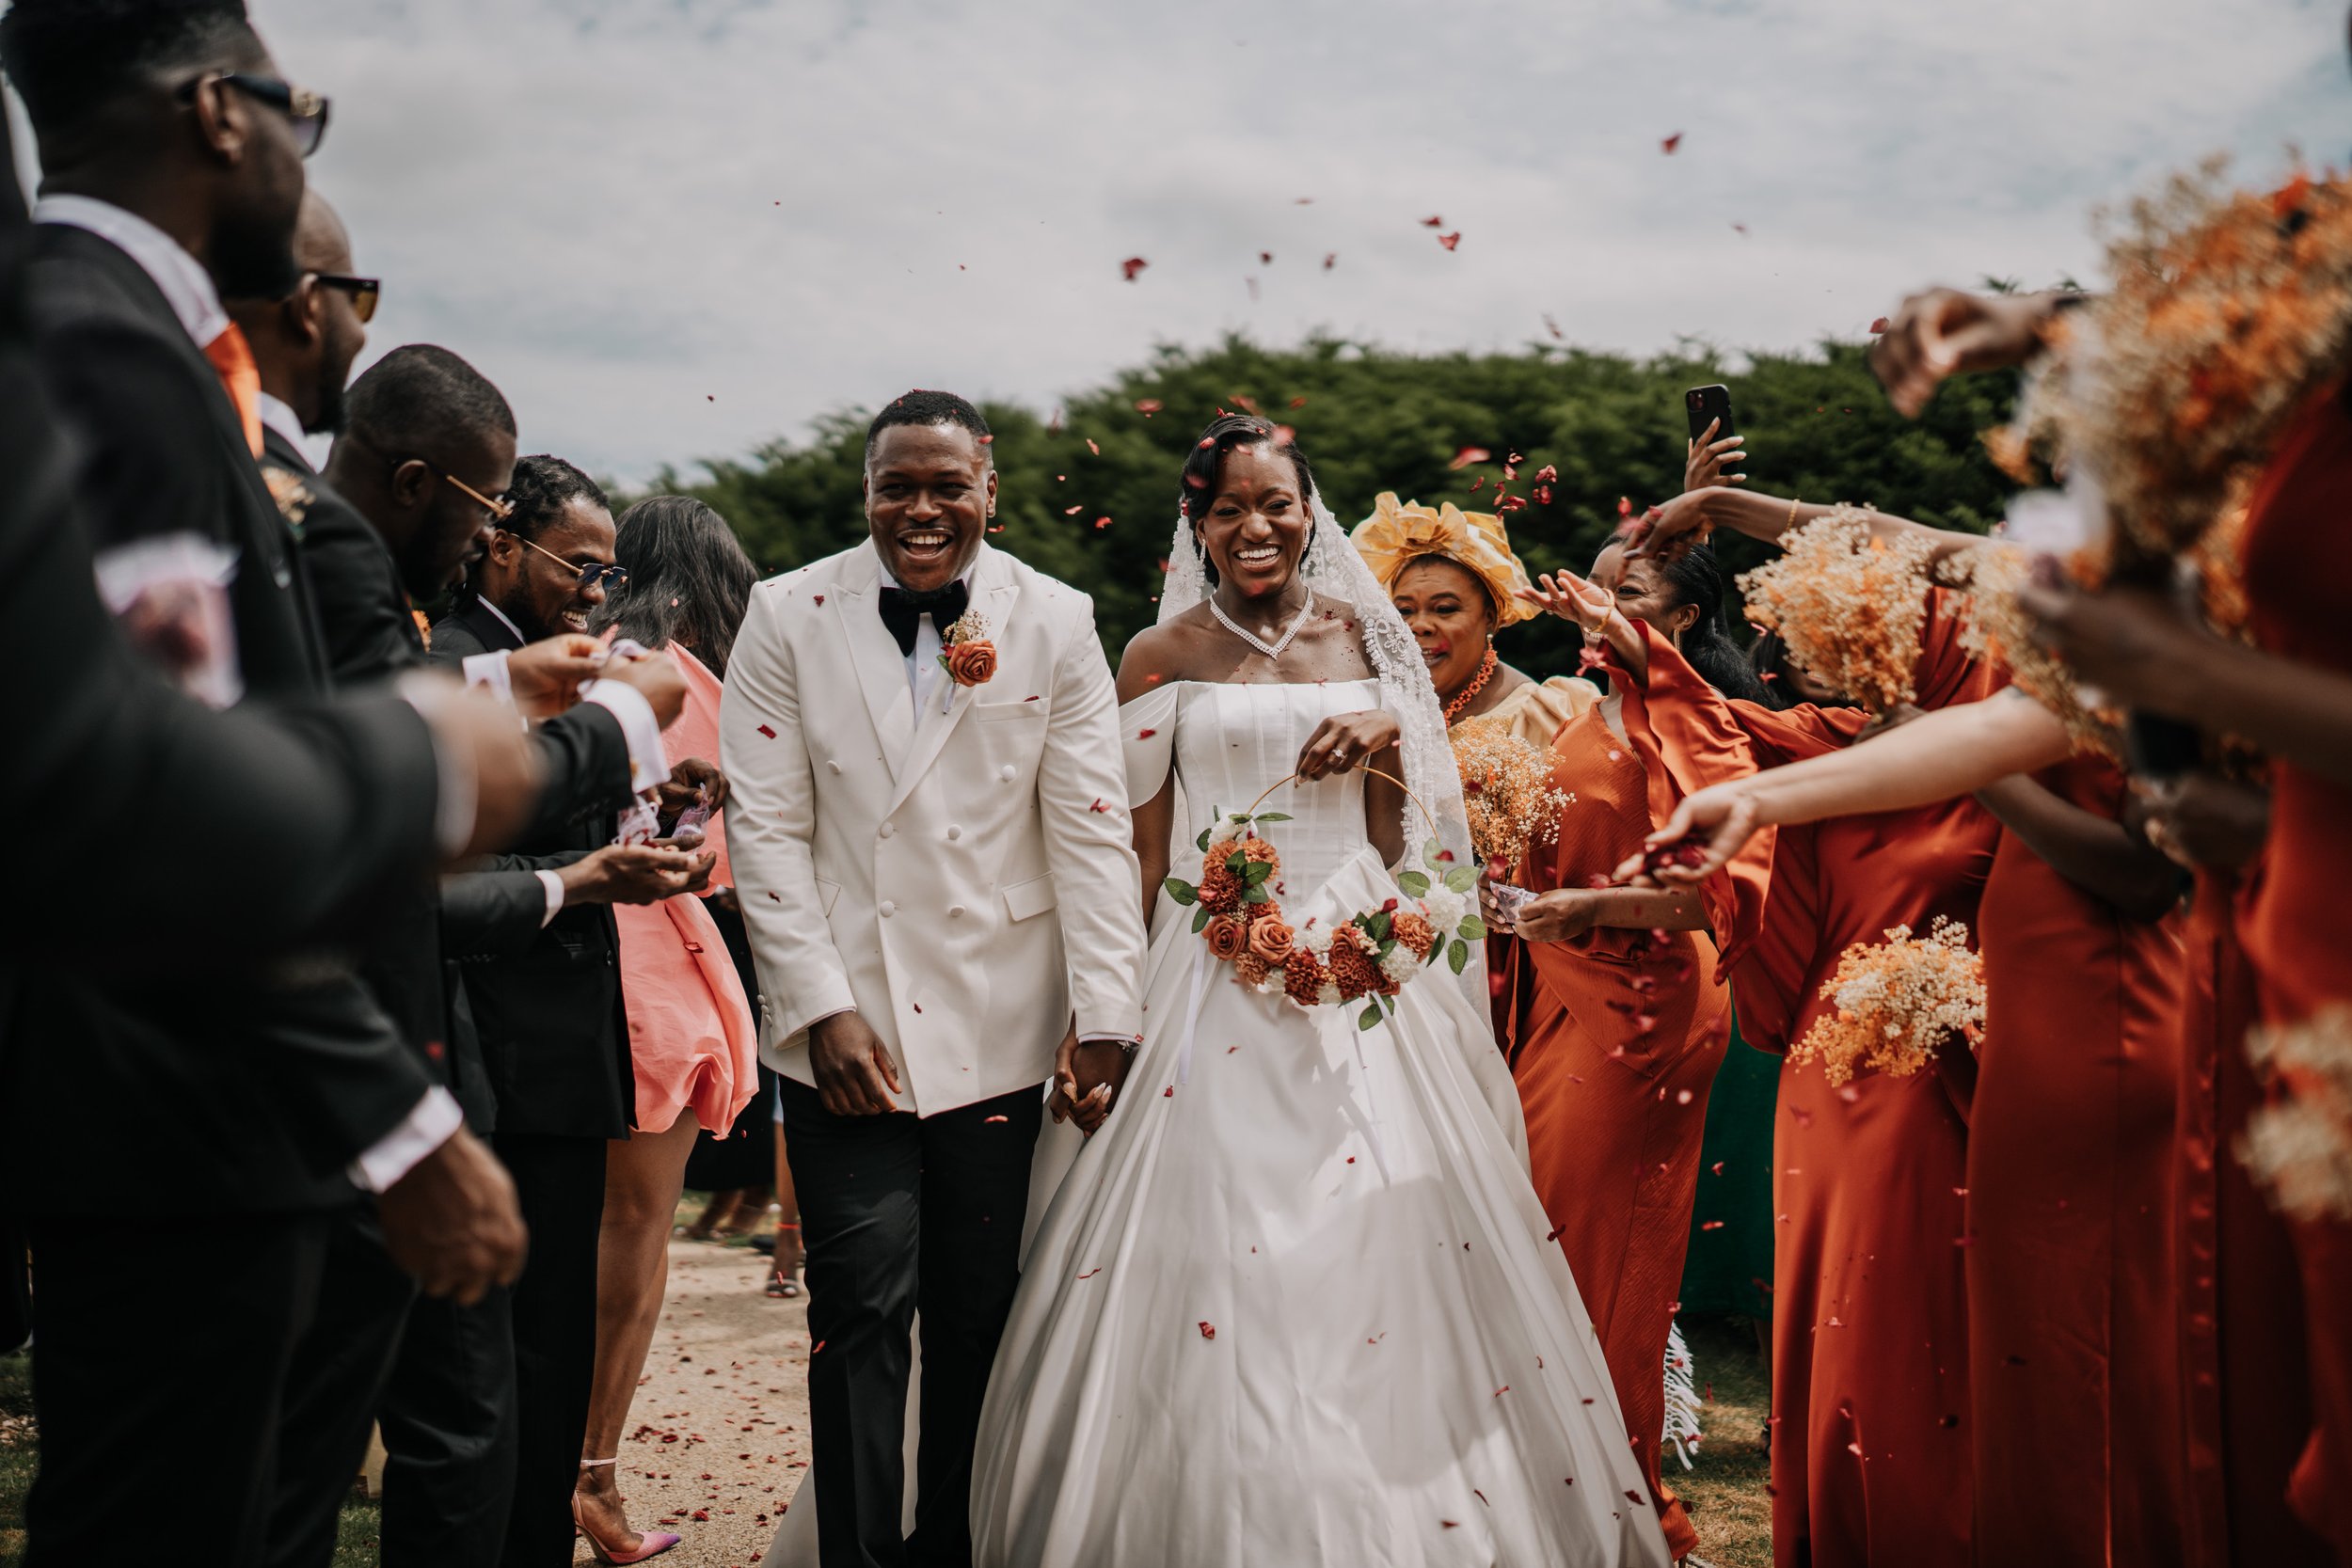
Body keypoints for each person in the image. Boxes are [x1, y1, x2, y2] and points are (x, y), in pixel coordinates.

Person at [0, 4, 531, 1561]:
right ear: (222, 113)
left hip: (191, 1103)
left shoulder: (121, 337)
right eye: (302, 111)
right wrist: (395, 1119)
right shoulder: (104, 349)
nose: (303, 152)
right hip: (175, 1114)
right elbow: (161, 803)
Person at [963, 413, 1670, 1567]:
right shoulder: (1158, 657)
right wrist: (1107, 1012)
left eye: (1274, 503)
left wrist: (1394, 724)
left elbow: (1407, 834)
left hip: (1356, 967)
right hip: (1204, 960)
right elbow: (1140, 857)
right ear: (1195, 522)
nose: (1254, 526)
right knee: (1209, 1235)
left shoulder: (1367, 632)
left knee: (1378, 1237)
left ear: (1310, 510)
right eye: (1227, 506)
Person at [1638, 414, 2199, 1567]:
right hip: (2013, 1023)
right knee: (2023, 1345)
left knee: (2076, 1338)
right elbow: (1898, 540)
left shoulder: (2137, 646)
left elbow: (2143, 872)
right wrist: (1729, 515)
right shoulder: (2055, 618)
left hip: (2097, 1019)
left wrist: (1960, 752)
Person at [726, 389, 1148, 1568]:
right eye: (894, 486)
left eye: (944, 485)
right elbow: (765, 830)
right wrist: (820, 1007)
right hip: (841, 1031)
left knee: (976, 1318)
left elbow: (1090, 825)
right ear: (864, 492)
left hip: (1001, 1019)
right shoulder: (783, 612)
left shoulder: (1055, 617)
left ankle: (950, 1545)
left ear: (988, 489)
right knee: (857, 1306)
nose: (920, 509)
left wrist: (1107, 1010)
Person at [434, 453, 716, 1568]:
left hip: (556, 1054)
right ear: (503, 540)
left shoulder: (536, 664)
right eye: (579, 566)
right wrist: (590, 874)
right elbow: (465, 858)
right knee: (491, 1374)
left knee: (546, 1350)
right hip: (491, 1053)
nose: (597, 592)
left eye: (606, 570)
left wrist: (660, 805)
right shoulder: (451, 662)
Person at [1484, 531, 1770, 1560]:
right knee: (1546, 1244)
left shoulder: (1696, 727)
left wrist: (1584, 905)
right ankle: (1541, 1485)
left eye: (1627, 593)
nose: (1595, 607)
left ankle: (1618, 1503)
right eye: (1592, 589)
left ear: (1684, 619)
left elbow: (1716, 890)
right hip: (1559, 983)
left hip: (1643, 999)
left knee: (1607, 1261)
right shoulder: (1588, 703)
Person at [573, 495, 765, 1564]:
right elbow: (713, 858)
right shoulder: (687, 681)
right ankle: (592, 1469)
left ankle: (536, 1457)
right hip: (651, 973)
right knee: (632, 1232)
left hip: (548, 956)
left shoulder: (578, 654)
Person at [1354, 489, 1599, 746]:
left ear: (1491, 618)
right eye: (1404, 610)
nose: (1420, 626)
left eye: (1445, 608)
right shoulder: (1377, 704)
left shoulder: (1543, 715)